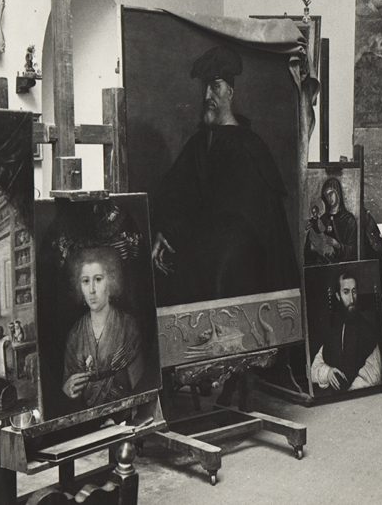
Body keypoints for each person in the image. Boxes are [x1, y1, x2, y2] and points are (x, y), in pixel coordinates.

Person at [150, 45, 299, 306]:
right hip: (202, 257)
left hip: (239, 269)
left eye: (215, 87)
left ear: (230, 92)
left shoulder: (249, 147)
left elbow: (244, 220)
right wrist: (165, 230)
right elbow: (175, 195)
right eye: (205, 87)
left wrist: (190, 235)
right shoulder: (198, 144)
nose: (207, 95)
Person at [63, 247, 146, 407]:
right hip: (86, 414)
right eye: (85, 281)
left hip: (125, 411)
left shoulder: (128, 326)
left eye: (98, 279)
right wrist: (67, 389)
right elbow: (68, 387)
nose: (92, 290)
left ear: (111, 281)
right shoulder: (75, 334)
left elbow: (140, 387)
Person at [310, 272, 382, 392]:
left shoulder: (368, 330)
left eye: (354, 291)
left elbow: (373, 374)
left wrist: (349, 393)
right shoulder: (334, 329)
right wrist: (328, 372)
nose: (352, 299)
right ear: (338, 296)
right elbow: (314, 369)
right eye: (346, 292)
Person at [305, 177, 359, 265]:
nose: (328, 198)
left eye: (331, 193)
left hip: (343, 268)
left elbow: (353, 251)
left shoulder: (349, 219)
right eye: (326, 195)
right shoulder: (323, 219)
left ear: (338, 193)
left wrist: (337, 244)